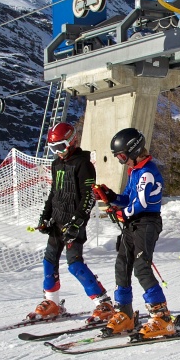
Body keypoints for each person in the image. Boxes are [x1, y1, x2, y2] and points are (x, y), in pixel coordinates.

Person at [91, 127, 176, 339]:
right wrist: (111, 197)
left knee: (141, 266)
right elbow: (128, 198)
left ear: (134, 151)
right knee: (122, 264)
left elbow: (141, 203)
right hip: (133, 223)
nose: (122, 161)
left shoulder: (147, 172)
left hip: (147, 223)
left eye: (122, 156)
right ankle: (125, 312)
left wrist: (123, 213)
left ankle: (162, 316)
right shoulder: (135, 171)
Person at [28, 122, 116, 324]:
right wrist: (45, 217)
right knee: (49, 261)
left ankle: (103, 303)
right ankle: (52, 302)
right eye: (53, 149)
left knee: (74, 264)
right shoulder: (56, 164)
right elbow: (54, 194)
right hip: (57, 222)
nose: (58, 152)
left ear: (72, 141)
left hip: (74, 223)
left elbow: (89, 196)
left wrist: (77, 221)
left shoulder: (83, 164)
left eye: (60, 147)